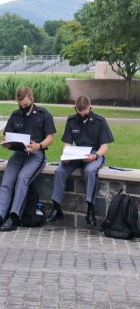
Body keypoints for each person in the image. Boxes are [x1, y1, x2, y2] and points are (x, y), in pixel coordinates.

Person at [0, 87, 56, 232]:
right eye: (20, 105)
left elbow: (50, 138)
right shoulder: (15, 115)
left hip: (36, 154)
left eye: (26, 105)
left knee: (22, 178)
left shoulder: (44, 114)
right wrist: (6, 142)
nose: (23, 108)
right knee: (6, 182)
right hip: (18, 154)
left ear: (32, 99)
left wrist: (39, 145)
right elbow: (7, 135)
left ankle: (14, 216)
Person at [47, 95, 113, 225]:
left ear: (90, 108)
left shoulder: (100, 121)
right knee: (60, 170)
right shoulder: (71, 120)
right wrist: (65, 155)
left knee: (89, 171)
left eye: (85, 112)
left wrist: (95, 156)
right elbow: (67, 143)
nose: (82, 115)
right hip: (76, 153)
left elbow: (105, 146)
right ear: (75, 108)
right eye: (79, 112)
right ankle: (56, 207)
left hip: (94, 153)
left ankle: (90, 209)